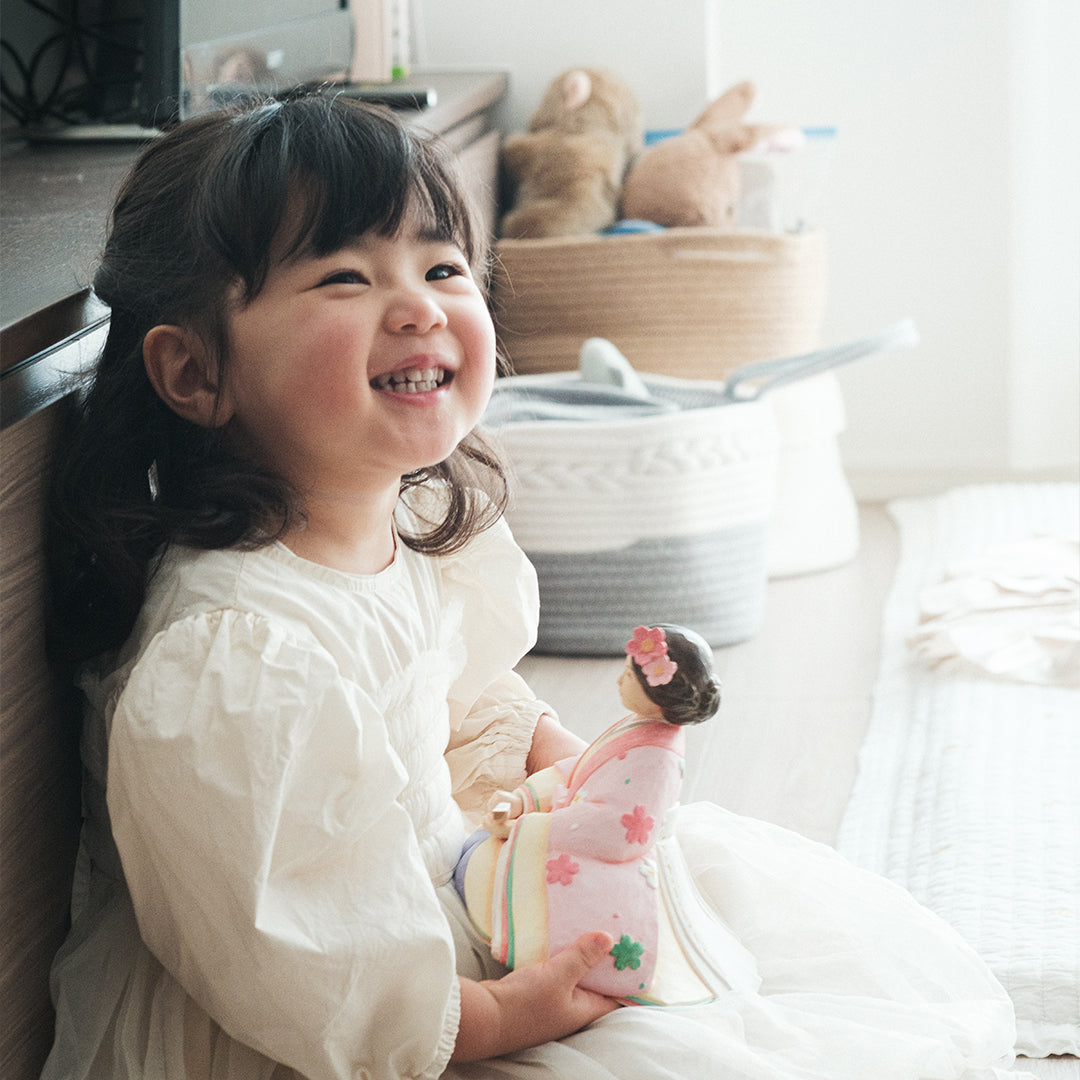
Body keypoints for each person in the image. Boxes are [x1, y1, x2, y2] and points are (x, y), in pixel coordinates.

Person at [41, 92, 1030, 1080]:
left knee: (741, 927)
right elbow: (295, 955)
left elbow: (452, 691)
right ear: (195, 373)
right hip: (332, 1022)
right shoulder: (235, 659)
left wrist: (546, 755)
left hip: (429, 906)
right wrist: (496, 1014)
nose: (422, 305)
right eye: (343, 276)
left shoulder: (409, 530)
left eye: (441, 267)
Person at [456, 624, 760, 1006]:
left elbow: (622, 831)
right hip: (576, 830)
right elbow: (585, 769)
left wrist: (530, 826)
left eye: (630, 675)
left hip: (601, 857)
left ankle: (572, 987)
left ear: (656, 692)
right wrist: (525, 799)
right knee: (477, 854)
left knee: (507, 884)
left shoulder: (659, 758)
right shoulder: (642, 726)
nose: (620, 680)